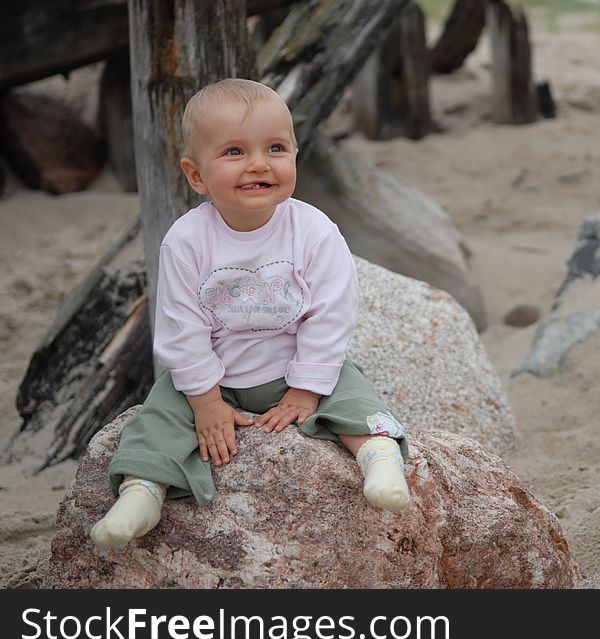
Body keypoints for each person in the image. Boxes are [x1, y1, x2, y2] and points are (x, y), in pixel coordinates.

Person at [90, 78, 410, 548]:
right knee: (159, 416)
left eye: (276, 147)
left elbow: (330, 313)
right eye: (235, 152)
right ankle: (142, 493)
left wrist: (306, 388)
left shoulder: (313, 231)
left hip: (292, 367)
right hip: (217, 379)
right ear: (196, 175)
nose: (259, 163)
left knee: (353, 395)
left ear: (295, 156)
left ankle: (380, 460)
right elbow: (183, 328)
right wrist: (206, 403)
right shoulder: (186, 241)